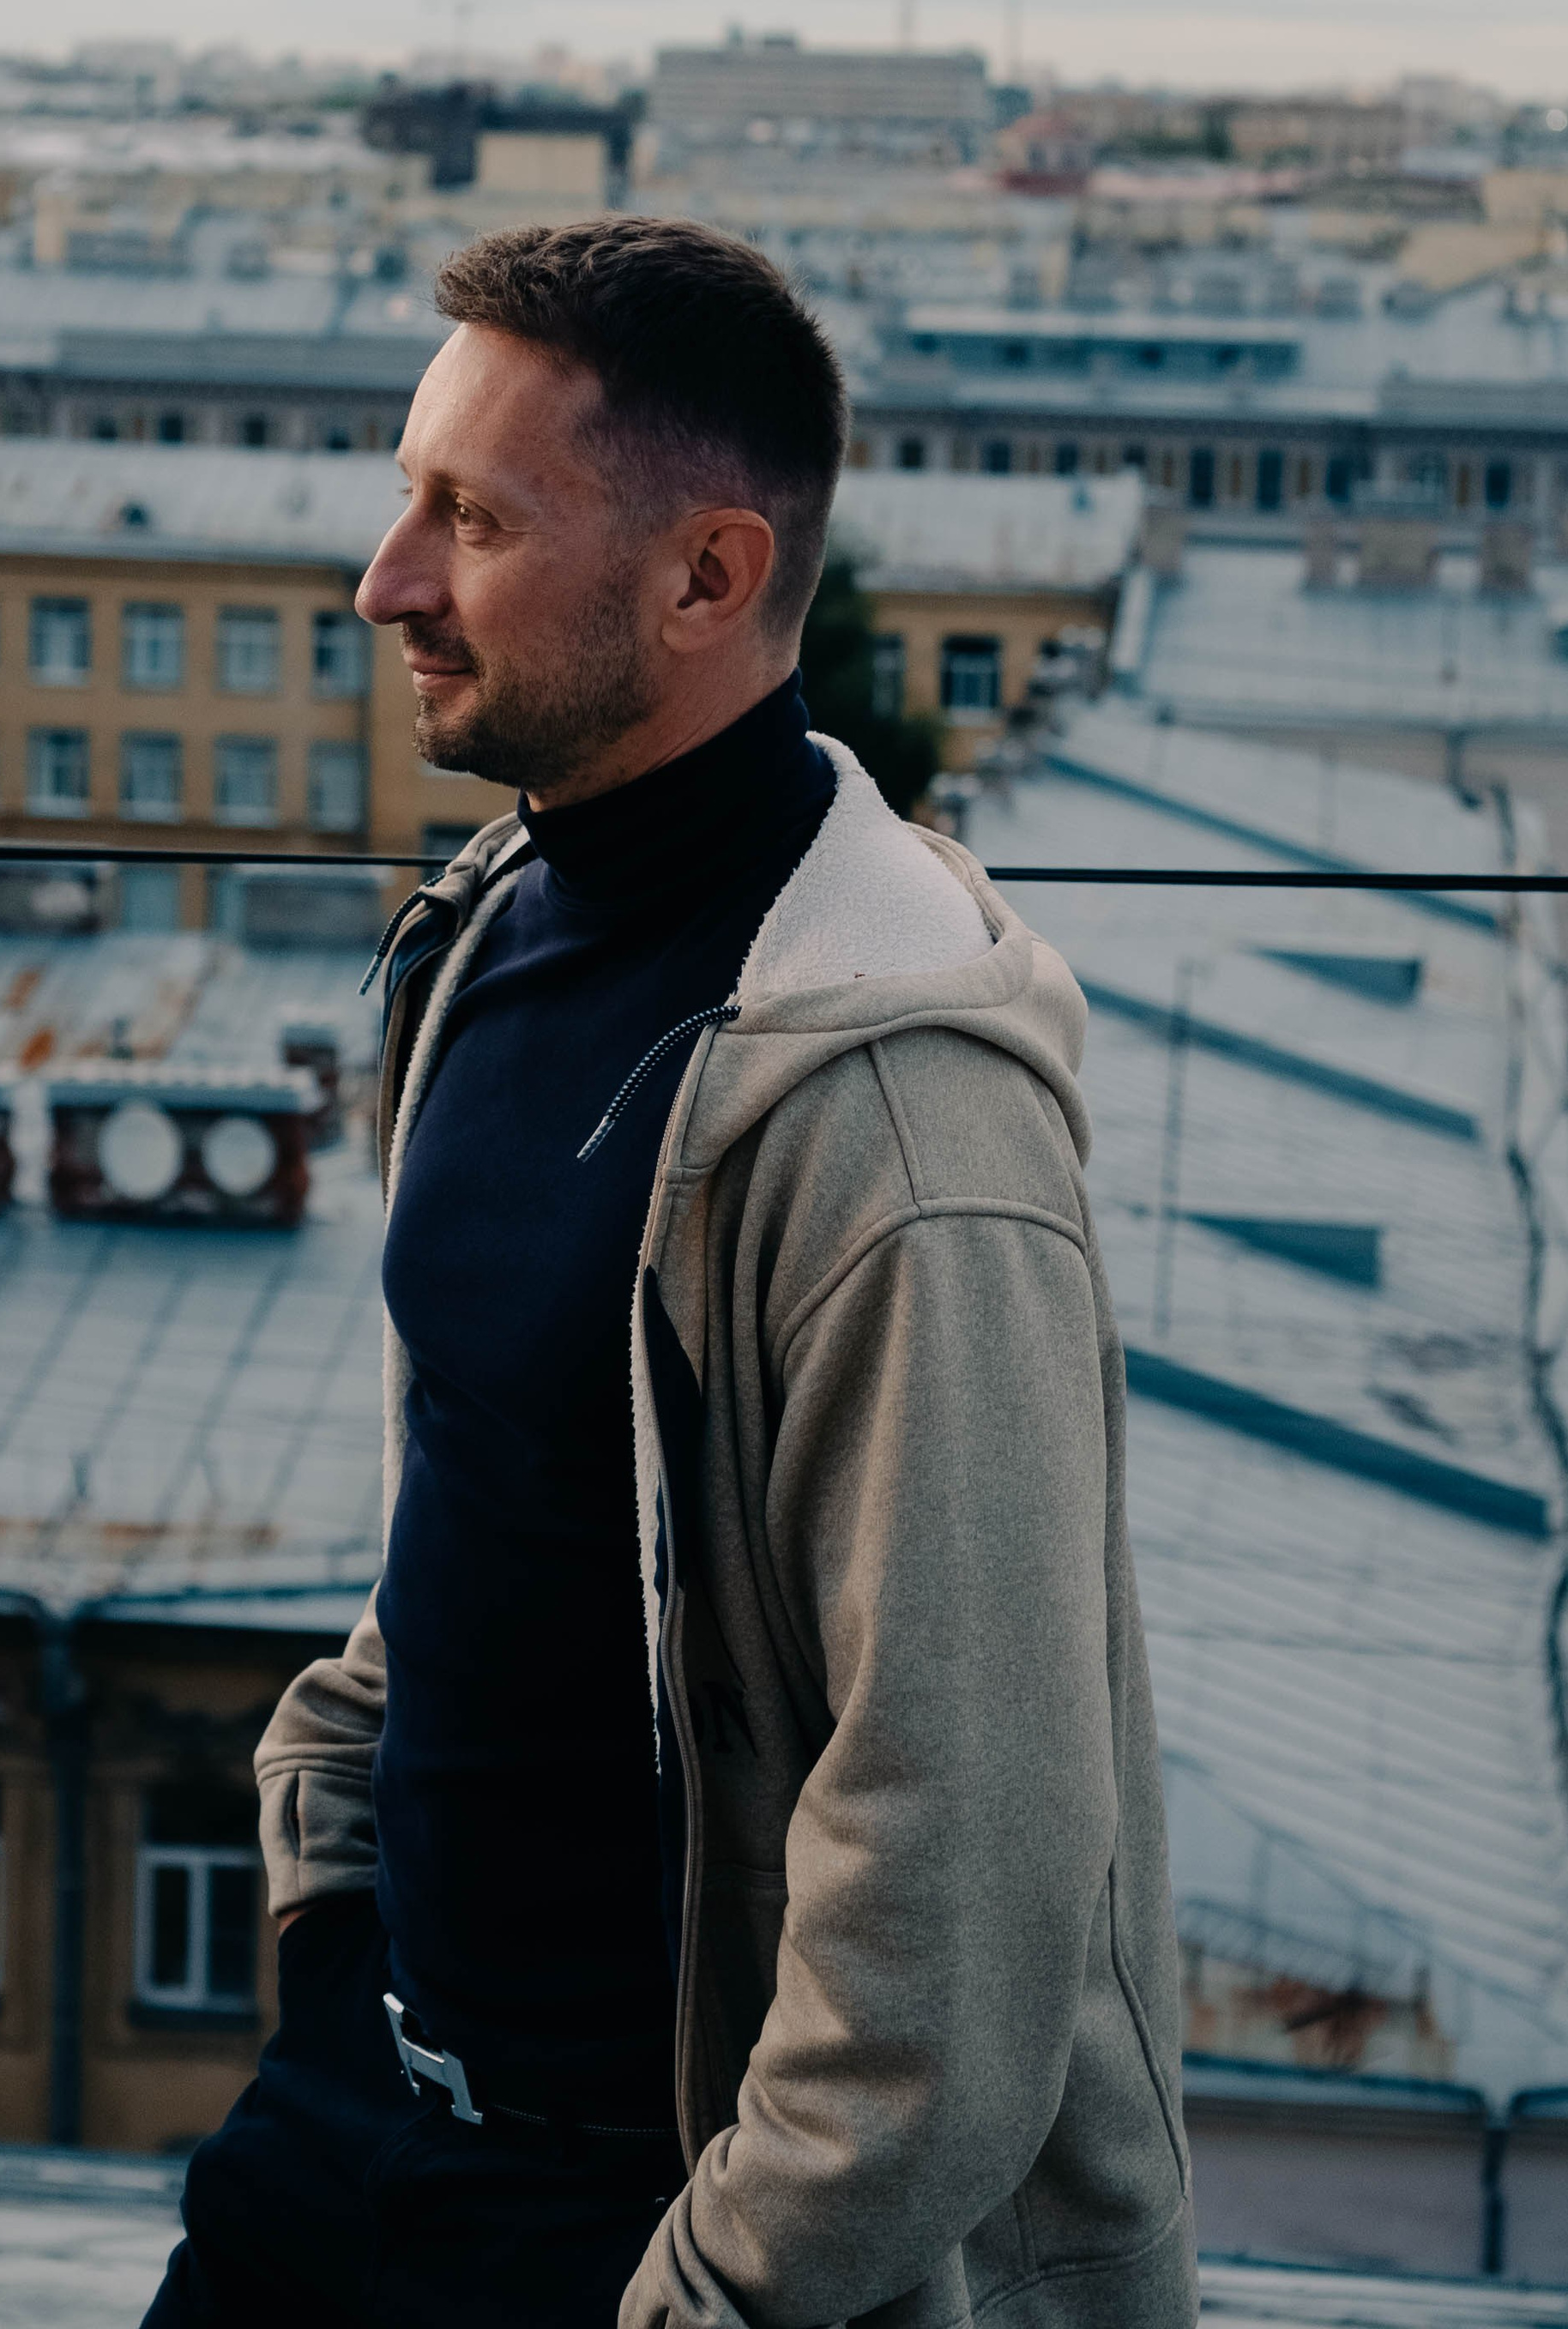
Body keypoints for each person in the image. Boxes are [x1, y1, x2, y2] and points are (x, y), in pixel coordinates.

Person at [146, 216, 1191, 2329]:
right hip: (372, 2119)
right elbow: (487, 1502)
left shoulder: (899, 1131)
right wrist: (330, 1902)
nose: (384, 580)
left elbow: (960, 1887)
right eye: (404, 492)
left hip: (653, 2226)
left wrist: (702, 2289)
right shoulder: (492, 924)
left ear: (708, 580)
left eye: (471, 518)